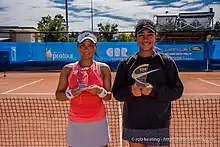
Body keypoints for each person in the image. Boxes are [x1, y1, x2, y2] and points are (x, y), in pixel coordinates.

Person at [112, 19, 184, 147]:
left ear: (155, 36)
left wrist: (154, 90)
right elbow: (117, 93)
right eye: (141, 35)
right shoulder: (126, 64)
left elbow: (177, 91)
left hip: (159, 125)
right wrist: (130, 92)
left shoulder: (166, 62)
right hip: (134, 125)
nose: (146, 39)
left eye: (149, 35)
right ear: (136, 38)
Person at [55, 31, 112, 147]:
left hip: (98, 121)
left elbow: (108, 96)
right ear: (78, 47)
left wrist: (100, 91)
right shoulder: (67, 69)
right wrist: (70, 94)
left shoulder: (104, 69)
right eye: (83, 46)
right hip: (76, 122)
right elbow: (58, 95)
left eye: (90, 45)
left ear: (95, 47)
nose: (87, 49)